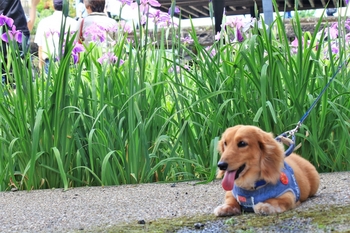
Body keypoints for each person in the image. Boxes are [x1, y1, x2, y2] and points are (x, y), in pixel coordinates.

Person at [1, 0, 40, 85]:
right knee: (19, 84)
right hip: (16, 36)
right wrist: (33, 6)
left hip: (13, 36)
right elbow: (29, 26)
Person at [34, 0, 76, 73]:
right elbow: (77, 47)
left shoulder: (43, 22)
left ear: (53, 6)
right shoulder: (74, 23)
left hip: (49, 64)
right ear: (67, 6)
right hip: (69, 62)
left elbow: (40, 47)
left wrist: (41, 67)